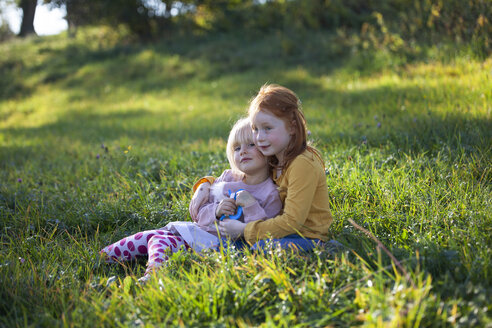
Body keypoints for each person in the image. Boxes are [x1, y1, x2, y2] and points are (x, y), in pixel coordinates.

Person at [99, 118, 282, 281]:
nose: (242, 151)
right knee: (149, 235)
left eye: (251, 145)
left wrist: (250, 204)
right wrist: (216, 211)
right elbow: (197, 214)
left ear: (266, 148)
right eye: (236, 147)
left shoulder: (270, 193)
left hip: (215, 246)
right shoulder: (228, 178)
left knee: (160, 240)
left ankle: (153, 275)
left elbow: (262, 234)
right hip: (199, 231)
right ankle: (102, 257)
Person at [191, 84, 335, 252]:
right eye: (255, 129)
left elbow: (292, 222)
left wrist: (244, 230)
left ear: (292, 127)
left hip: (307, 237)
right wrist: (209, 182)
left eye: (267, 128)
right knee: (225, 246)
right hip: (278, 233)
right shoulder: (275, 159)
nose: (260, 137)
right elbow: (241, 177)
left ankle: (331, 251)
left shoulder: (302, 164)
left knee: (260, 248)